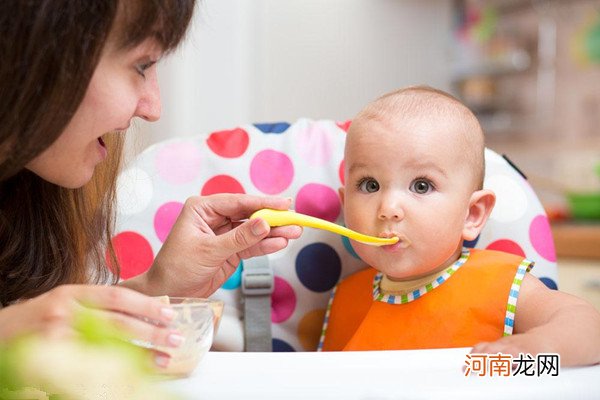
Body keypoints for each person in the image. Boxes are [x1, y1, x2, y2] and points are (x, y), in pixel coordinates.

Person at [0, 0, 301, 369]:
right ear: (33, 48)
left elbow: (41, 331)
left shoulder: (32, 197)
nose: (153, 107)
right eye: (141, 65)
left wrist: (154, 289)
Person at [318, 86, 600, 366]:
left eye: (421, 185)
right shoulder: (346, 299)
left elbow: (589, 328)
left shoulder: (499, 285)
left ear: (472, 214)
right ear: (345, 206)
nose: (388, 209)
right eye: (370, 185)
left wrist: (536, 347)